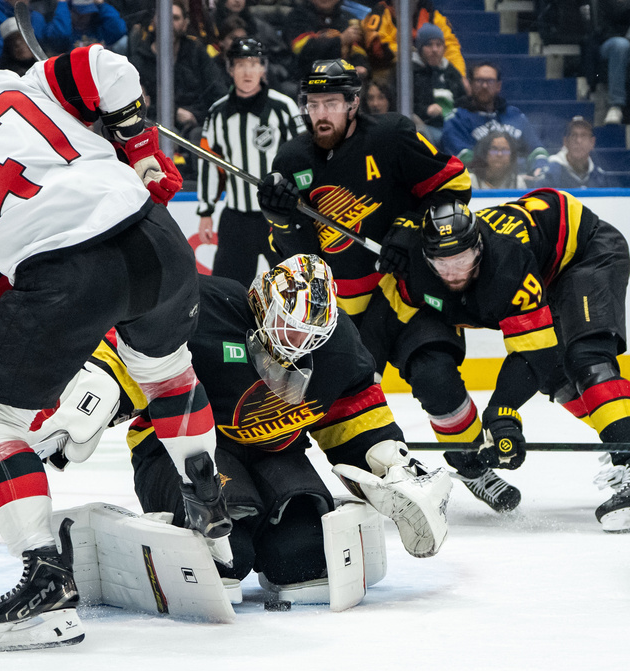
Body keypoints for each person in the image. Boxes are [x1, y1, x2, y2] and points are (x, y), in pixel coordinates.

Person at [0, 46, 227, 651]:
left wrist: (54, 357)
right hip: (157, 237)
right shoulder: (1, 83)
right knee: (167, 371)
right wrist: (141, 149)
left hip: (67, 273)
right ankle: (208, 501)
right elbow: (110, 68)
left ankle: (46, 586)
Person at [57, 256, 451, 600]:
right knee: (225, 557)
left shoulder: (338, 344)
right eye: (289, 326)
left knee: (303, 560)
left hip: (276, 452)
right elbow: (135, 344)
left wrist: (386, 462)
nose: (297, 344)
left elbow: (352, 409)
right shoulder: (206, 307)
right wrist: (97, 389)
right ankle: (144, 542)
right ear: (262, 301)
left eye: (311, 336)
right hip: (186, 450)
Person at [258, 60, 519, 513]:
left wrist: (406, 229)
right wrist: (280, 216)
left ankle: (472, 464)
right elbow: (295, 255)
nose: (321, 113)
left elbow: (453, 183)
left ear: (353, 104)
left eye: (332, 103)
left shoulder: (392, 135)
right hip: (340, 312)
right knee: (345, 404)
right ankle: (372, 475)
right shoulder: (291, 160)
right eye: (313, 103)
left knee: (436, 375)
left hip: (402, 292)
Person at [377, 193, 630, 532]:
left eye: (462, 259)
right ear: (426, 256)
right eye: (442, 262)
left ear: (479, 248)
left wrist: (501, 410)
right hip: (543, 268)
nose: (453, 273)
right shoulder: (417, 266)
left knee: (587, 356)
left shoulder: (506, 264)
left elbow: (533, 350)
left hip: (585, 252)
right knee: (557, 377)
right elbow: (381, 326)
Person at [197, 38, 304, 287]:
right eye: (241, 64)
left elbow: (302, 157)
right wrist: (206, 211)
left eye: (254, 64)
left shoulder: (284, 107)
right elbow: (209, 162)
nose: (247, 71)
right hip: (237, 219)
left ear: (263, 68)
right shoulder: (217, 112)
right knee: (226, 291)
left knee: (293, 288)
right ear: (230, 69)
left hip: (279, 217)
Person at [128, 0, 224, 140]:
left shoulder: (197, 53)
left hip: (196, 125)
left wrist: (196, 116)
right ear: (153, 22)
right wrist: (175, 113)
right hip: (155, 127)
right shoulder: (138, 61)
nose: (168, 23)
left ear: (185, 24)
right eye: (163, 17)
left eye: (175, 18)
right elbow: (134, 107)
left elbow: (217, 92)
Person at [441, 61, 549, 171]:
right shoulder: (456, 119)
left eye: (490, 81)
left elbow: (537, 151)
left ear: (498, 86)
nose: (484, 86)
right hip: (478, 184)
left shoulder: (515, 115)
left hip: (518, 183)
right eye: (479, 80)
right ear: (470, 84)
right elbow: (464, 158)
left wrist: (538, 170)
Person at [361, 0, 466, 85]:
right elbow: (377, 48)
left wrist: (460, 77)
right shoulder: (380, 12)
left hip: (427, 76)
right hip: (389, 77)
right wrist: (413, 54)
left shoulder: (432, 15)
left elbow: (452, 48)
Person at [283, 0, 368, 85]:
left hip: (341, 81)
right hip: (305, 80)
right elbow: (303, 50)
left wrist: (359, 65)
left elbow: (357, 49)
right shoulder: (297, 17)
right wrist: (340, 39)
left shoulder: (347, 19)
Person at [0, 0, 72, 69]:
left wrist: (62, 3)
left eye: (22, 39)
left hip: (38, 66)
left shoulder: (36, 17)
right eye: (14, 41)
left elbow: (58, 38)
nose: (18, 44)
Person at [412, 22, 464, 145]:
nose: (434, 50)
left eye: (438, 45)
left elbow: (463, 99)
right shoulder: (410, 71)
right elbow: (401, 104)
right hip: (425, 126)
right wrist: (426, 110)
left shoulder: (451, 72)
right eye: (429, 45)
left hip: (452, 124)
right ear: (419, 48)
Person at [534, 117, 613, 189]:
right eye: (573, 135)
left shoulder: (600, 177)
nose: (578, 140)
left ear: (592, 142)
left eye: (584, 135)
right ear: (565, 142)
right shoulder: (550, 173)